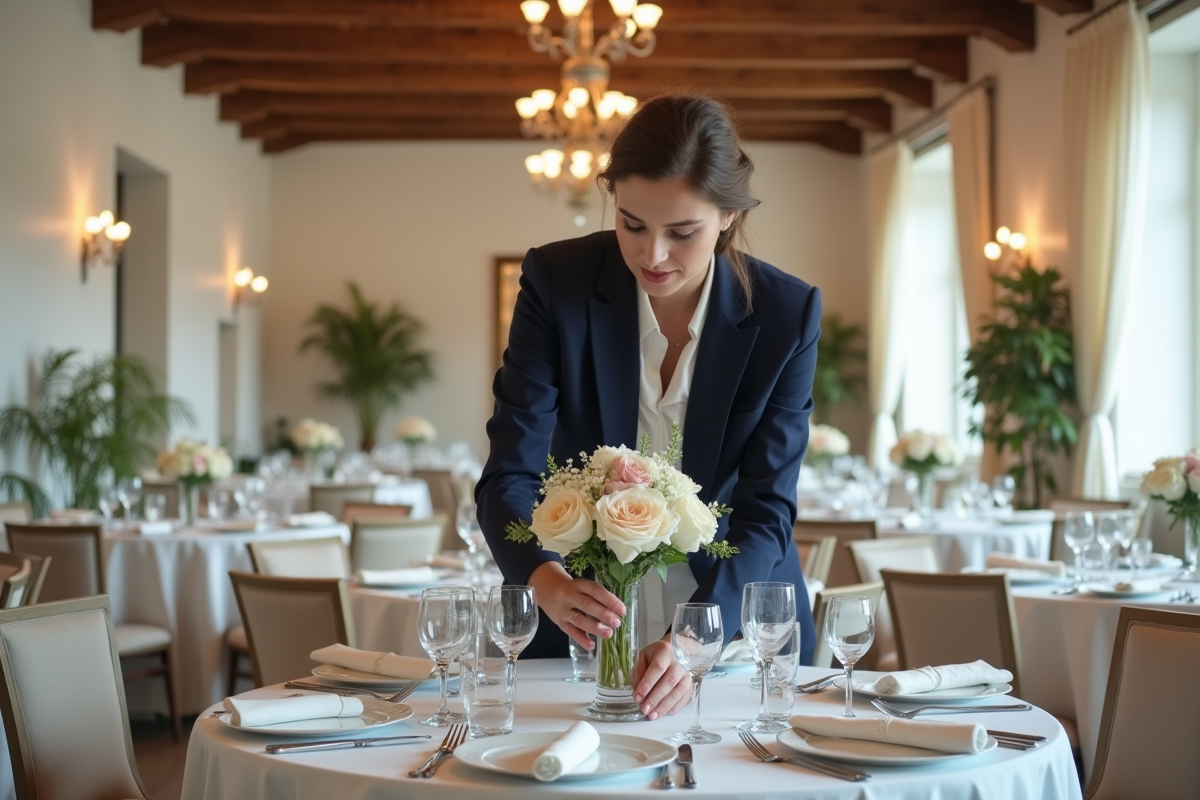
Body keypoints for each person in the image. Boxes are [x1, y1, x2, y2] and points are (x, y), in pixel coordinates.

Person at [476, 94, 820, 721]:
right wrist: (543, 581)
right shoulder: (558, 283)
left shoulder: (784, 314)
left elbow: (767, 509)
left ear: (728, 217)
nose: (652, 255)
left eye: (682, 232)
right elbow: (508, 475)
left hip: (739, 635)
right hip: (578, 625)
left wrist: (695, 641)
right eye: (632, 224)